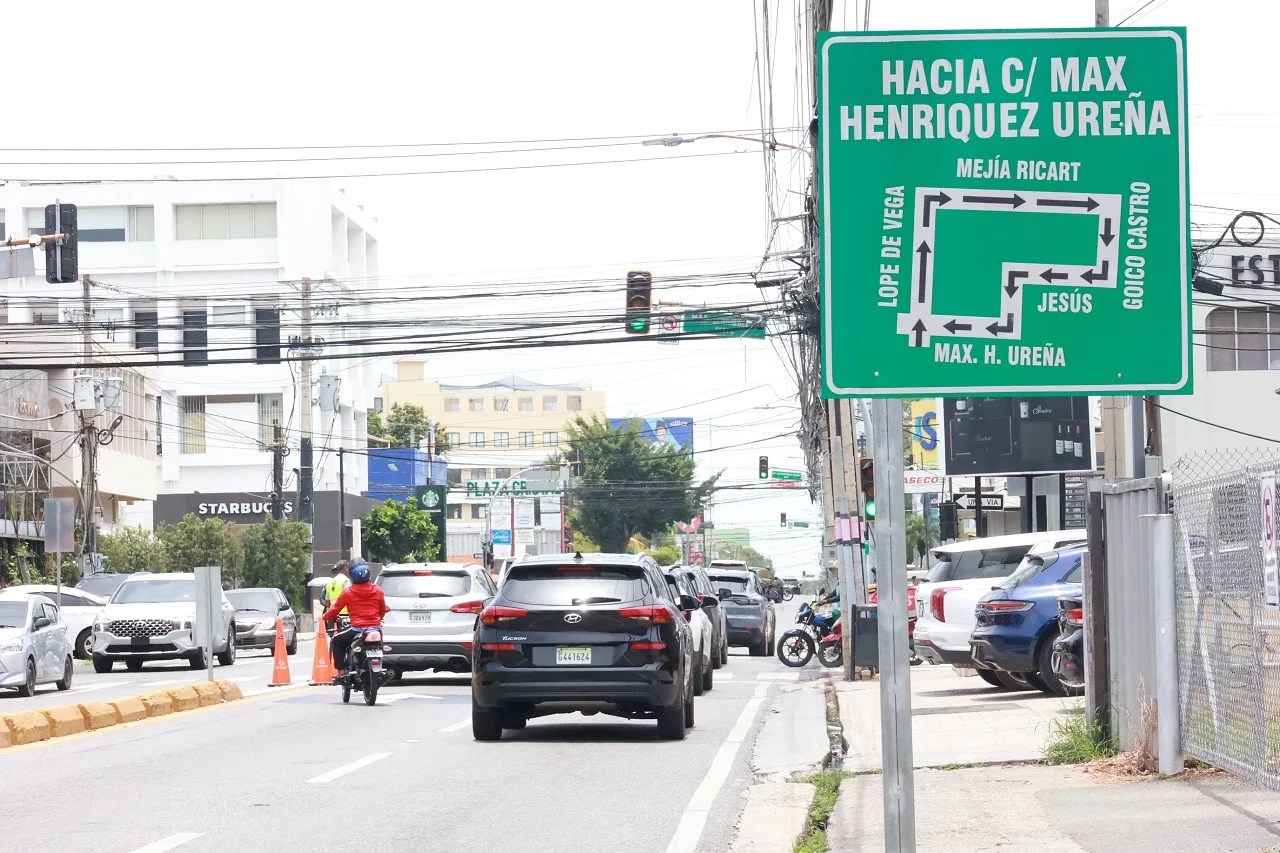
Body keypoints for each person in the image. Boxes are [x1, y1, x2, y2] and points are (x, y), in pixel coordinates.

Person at [321, 559, 389, 678]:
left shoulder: (348, 592)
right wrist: (377, 621)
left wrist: (325, 617)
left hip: (357, 629)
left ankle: (341, 672)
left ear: (352, 575)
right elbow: (382, 610)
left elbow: (334, 609)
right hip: (375, 629)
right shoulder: (378, 590)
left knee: (336, 641)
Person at [321, 561, 350, 636]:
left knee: (333, 637)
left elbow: (327, 601)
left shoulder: (330, 583)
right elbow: (350, 596)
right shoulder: (346, 581)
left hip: (332, 614)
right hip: (345, 614)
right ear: (345, 568)